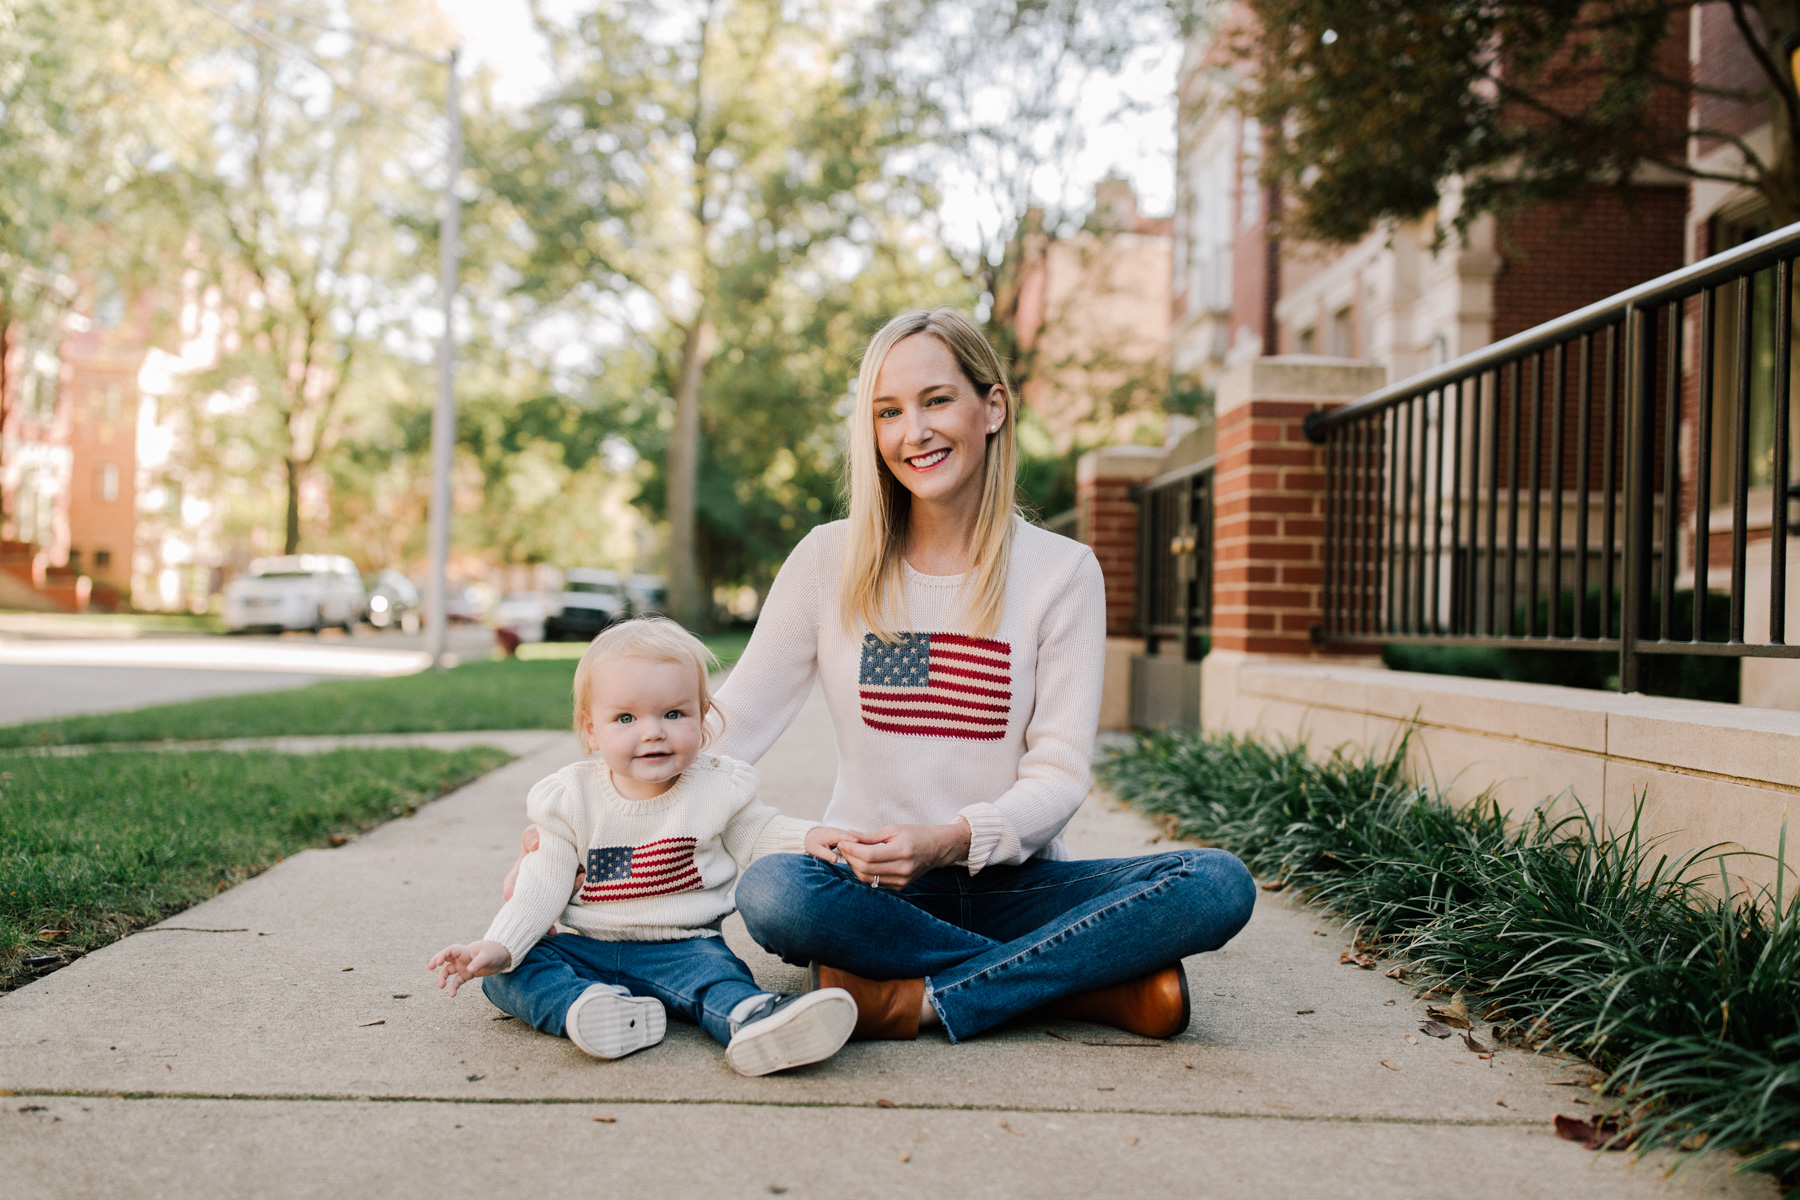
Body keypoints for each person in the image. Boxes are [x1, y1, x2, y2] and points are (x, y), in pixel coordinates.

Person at [713, 307, 1257, 1045]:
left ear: (992, 407)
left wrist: (947, 840)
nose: (915, 432)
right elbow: (731, 724)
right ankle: (1093, 987)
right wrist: (587, 825)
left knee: (1217, 884)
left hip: (1017, 888)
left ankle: (912, 999)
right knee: (774, 892)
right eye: (889, 412)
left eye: (937, 400)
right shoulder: (826, 560)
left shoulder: (1061, 572)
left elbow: (1060, 776)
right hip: (865, 889)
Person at [431, 616, 861, 1076]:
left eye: (674, 714)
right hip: (589, 946)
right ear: (591, 730)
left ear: (704, 717)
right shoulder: (571, 798)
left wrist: (809, 835)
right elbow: (543, 882)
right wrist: (501, 943)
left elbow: (758, 832)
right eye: (626, 718)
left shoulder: (716, 787)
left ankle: (755, 1021)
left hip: (685, 947)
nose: (653, 731)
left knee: (719, 979)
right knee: (507, 972)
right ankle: (591, 1010)